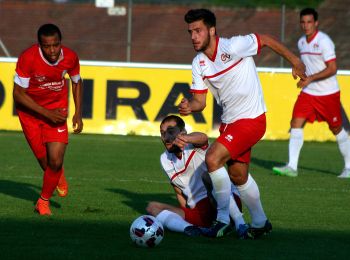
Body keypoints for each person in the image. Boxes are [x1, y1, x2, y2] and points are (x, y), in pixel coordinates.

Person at [179, 9, 306, 238]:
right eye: (190, 32)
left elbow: (265, 39)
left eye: (198, 31)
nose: (193, 36)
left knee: (212, 158)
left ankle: (222, 220)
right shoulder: (198, 63)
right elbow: (200, 102)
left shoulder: (234, 46)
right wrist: (190, 106)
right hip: (230, 123)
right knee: (238, 176)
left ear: (212, 30)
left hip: (252, 120)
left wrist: (296, 61)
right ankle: (260, 222)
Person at [13, 23, 83, 215]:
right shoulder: (28, 58)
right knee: (46, 164)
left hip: (57, 111)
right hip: (30, 114)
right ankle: (57, 174)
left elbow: (77, 81)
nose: (52, 50)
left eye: (56, 45)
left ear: (60, 42)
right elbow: (18, 94)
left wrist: (78, 112)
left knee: (55, 159)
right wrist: (45, 113)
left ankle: (42, 202)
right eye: (46, 46)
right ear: (39, 45)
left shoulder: (70, 57)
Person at [272, 8, 350, 178]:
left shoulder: (324, 41)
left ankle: (349, 167)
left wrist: (311, 78)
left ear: (316, 23)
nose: (306, 25)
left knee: (336, 128)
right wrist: (297, 69)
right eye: (303, 22)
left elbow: (332, 69)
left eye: (309, 22)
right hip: (309, 93)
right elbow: (305, 64)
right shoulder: (301, 42)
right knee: (295, 123)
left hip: (328, 93)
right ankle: (292, 167)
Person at [146, 115, 251, 239]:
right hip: (199, 210)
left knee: (208, 177)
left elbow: (203, 138)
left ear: (182, 132)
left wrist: (186, 138)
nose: (166, 137)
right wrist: (186, 213)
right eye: (162, 133)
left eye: (170, 131)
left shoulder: (193, 144)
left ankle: (240, 224)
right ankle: (191, 229)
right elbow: (179, 191)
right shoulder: (164, 159)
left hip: (224, 201)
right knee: (152, 207)